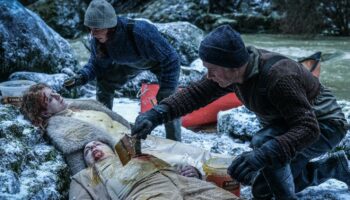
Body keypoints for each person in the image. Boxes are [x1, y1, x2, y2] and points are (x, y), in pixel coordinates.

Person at [131, 25, 350, 199]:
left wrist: (263, 155)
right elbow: (195, 94)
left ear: (231, 66)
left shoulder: (279, 78)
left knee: (264, 143)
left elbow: (308, 129)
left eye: (211, 70)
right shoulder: (233, 73)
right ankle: (332, 168)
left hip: (325, 125)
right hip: (288, 126)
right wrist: (156, 114)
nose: (208, 76)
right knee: (262, 191)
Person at [63, 0, 181, 141]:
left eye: (97, 28)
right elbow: (96, 65)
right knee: (104, 83)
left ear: (110, 26)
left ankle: (175, 142)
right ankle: (106, 128)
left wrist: (167, 88)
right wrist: (80, 78)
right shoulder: (97, 40)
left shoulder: (140, 32)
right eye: (90, 28)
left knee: (168, 101)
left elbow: (172, 59)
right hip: (127, 63)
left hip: (158, 62)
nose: (93, 33)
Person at [69, 140, 239, 200]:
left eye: (97, 145)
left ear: (110, 148)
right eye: (87, 152)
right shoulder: (85, 176)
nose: (92, 149)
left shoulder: (134, 156)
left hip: (183, 183)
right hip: (144, 192)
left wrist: (194, 172)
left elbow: (175, 163)